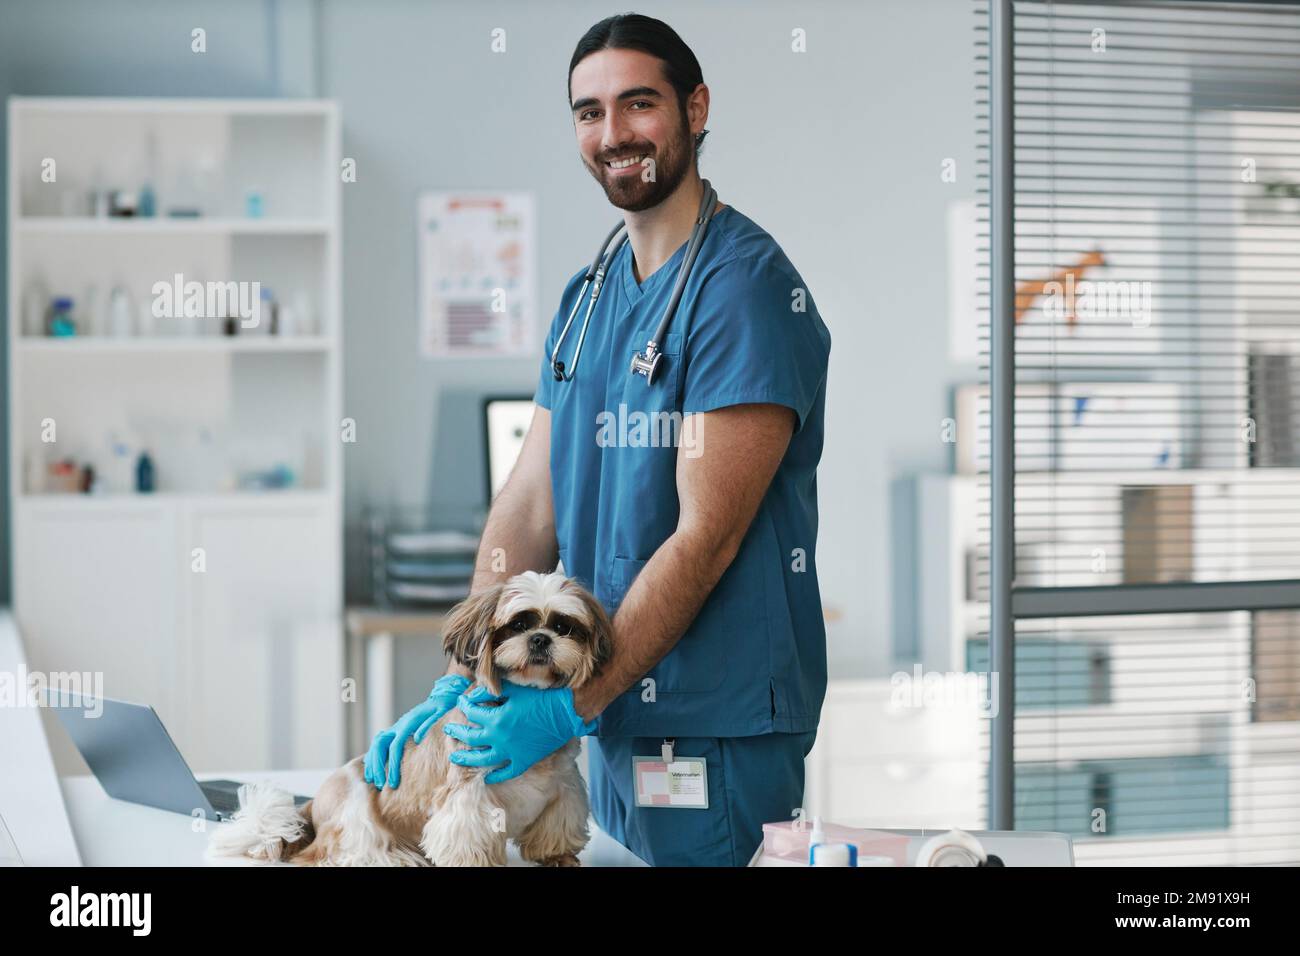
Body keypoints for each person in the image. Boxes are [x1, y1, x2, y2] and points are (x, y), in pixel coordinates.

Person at [365, 12, 831, 867]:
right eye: (589, 112)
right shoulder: (589, 294)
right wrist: (471, 669)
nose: (613, 134)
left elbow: (708, 535)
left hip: (708, 723)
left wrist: (568, 707)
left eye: (638, 104)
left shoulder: (746, 294)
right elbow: (529, 499)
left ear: (695, 109)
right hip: (607, 713)